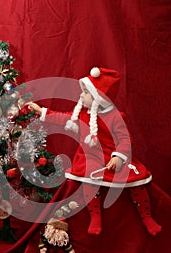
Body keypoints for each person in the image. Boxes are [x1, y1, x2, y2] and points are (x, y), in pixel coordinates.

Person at [28, 67, 162, 236]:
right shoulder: (83, 114)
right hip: (90, 156)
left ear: (99, 98)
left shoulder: (115, 117)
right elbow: (65, 118)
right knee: (89, 178)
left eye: (85, 93)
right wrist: (43, 112)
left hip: (113, 156)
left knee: (136, 181)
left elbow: (125, 140)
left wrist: (118, 157)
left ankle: (147, 217)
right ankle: (95, 216)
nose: (81, 96)